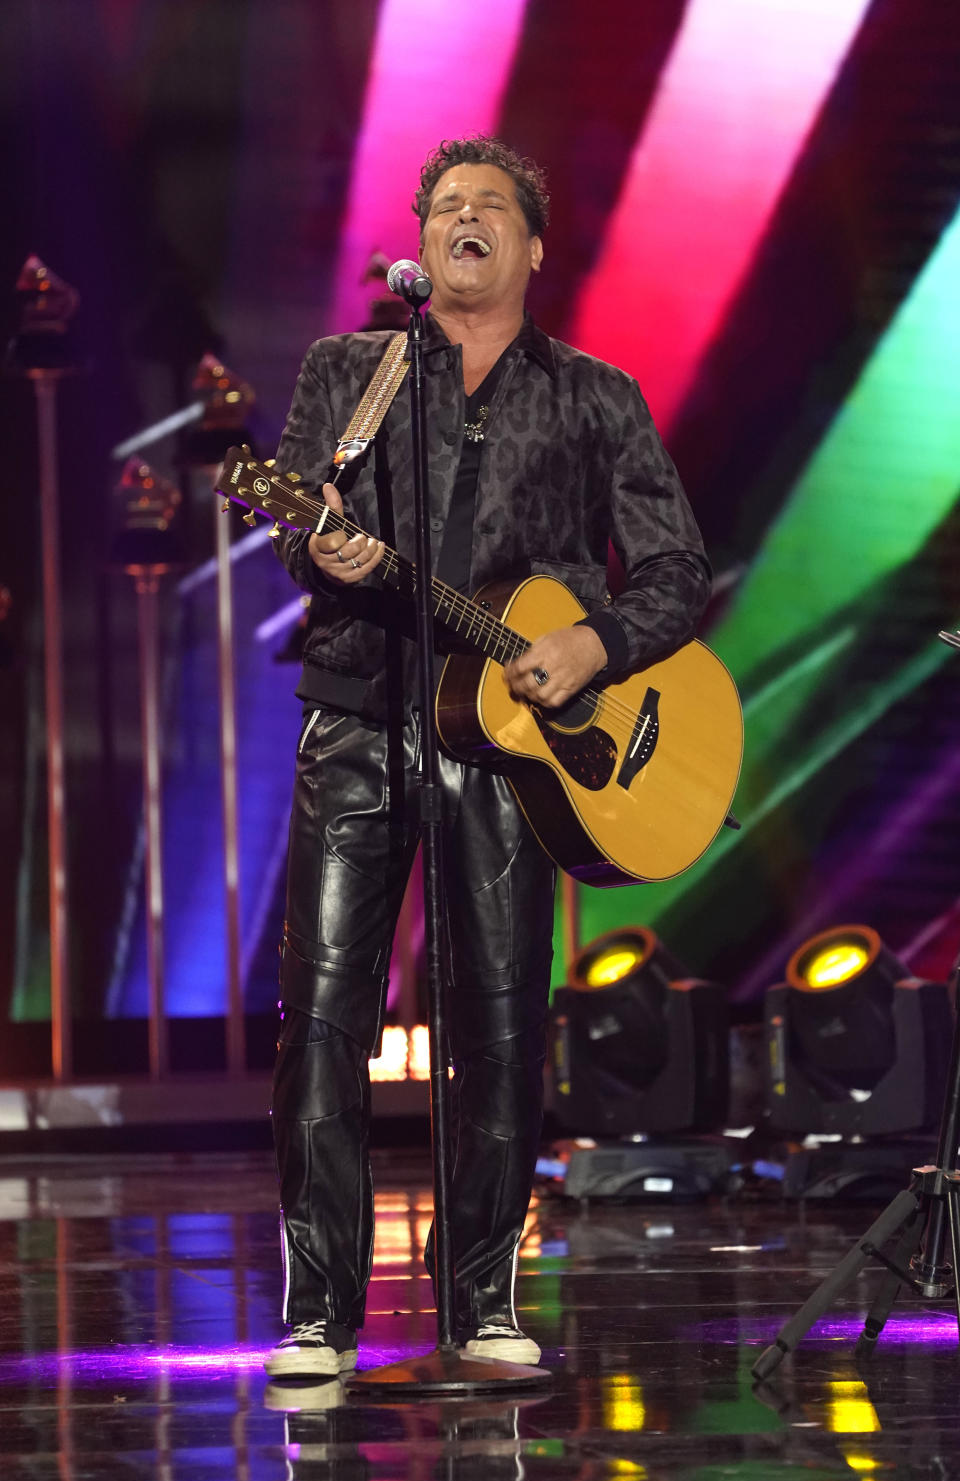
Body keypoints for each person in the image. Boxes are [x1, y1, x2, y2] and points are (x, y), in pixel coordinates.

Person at [265, 136, 711, 1378]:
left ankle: (483, 1301)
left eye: (489, 208)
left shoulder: (594, 395)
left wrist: (598, 641)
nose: (465, 219)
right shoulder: (348, 371)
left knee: (504, 1025)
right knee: (325, 1015)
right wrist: (326, 553)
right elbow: (300, 518)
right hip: (358, 712)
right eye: (445, 205)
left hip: (518, 745)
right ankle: (319, 1311)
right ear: (419, 245)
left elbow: (677, 566)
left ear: (531, 247)